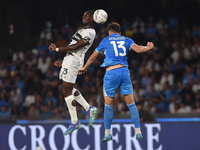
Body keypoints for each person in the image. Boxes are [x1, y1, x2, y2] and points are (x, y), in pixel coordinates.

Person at [78, 22, 154, 142]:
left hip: (111, 73)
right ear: (120, 32)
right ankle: (138, 131)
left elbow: (93, 57)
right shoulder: (127, 39)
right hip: (124, 72)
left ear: (110, 32)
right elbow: (139, 50)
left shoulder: (105, 40)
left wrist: (85, 67)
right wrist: (148, 47)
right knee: (131, 104)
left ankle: (107, 133)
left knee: (108, 105)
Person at [48, 10, 97, 135]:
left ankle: (75, 121)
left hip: (74, 59)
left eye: (87, 15)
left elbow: (76, 47)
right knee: (70, 88)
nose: (83, 16)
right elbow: (72, 46)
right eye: (83, 15)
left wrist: (57, 49)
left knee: (66, 91)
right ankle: (89, 108)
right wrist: (63, 62)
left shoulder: (91, 32)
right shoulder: (80, 31)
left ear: (93, 19)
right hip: (69, 59)